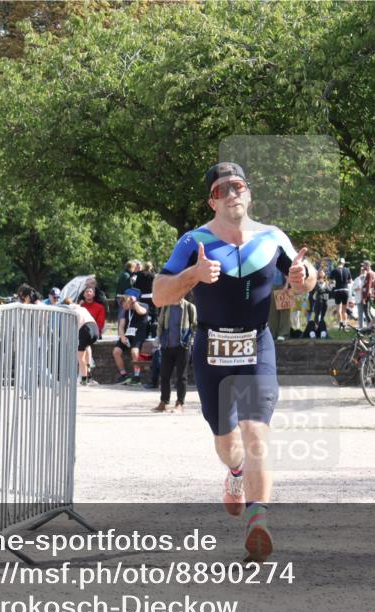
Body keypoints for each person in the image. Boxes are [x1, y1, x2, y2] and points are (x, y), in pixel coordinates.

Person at [152, 161, 316, 562]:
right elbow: (159, 294)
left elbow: (307, 277)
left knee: (256, 432)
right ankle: (235, 473)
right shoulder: (194, 241)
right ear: (212, 199)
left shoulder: (272, 238)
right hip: (212, 349)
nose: (231, 194)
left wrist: (303, 275)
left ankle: (258, 522)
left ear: (249, 193)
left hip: (256, 345)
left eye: (237, 186)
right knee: (228, 442)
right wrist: (193, 275)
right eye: (222, 189)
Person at [152, 296, 197, 413]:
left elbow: (195, 325)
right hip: (167, 345)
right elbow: (160, 324)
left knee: (182, 376)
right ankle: (164, 402)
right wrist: (158, 338)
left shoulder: (189, 307)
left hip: (183, 346)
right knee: (164, 375)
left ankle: (180, 403)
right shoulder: (166, 307)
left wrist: (191, 340)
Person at [113, 288, 149, 385]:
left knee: (134, 351)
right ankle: (124, 374)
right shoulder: (126, 311)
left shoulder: (143, 305)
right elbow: (121, 326)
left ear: (131, 301)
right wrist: (122, 336)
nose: (122, 305)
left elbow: (142, 312)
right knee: (116, 351)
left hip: (138, 334)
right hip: (127, 335)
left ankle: (137, 376)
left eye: (124, 302)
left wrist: (134, 302)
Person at [66, 297, 100, 386]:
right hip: (95, 329)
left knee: (80, 357)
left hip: (85, 329)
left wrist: (67, 340)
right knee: (87, 349)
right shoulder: (82, 308)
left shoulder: (69, 311)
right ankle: (89, 377)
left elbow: (71, 328)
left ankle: (84, 380)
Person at [329, 259, 352, 328]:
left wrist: (334, 282)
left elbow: (330, 280)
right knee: (344, 309)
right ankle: (345, 323)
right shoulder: (347, 270)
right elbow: (350, 281)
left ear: (337, 263)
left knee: (338, 308)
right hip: (345, 290)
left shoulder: (334, 270)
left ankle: (340, 322)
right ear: (343, 263)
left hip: (337, 290)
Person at [308, 270, 331, 337]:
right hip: (318, 302)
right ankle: (316, 329)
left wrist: (325, 286)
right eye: (320, 273)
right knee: (317, 315)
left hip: (325, 302)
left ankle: (322, 330)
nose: (321, 274)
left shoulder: (326, 283)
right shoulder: (315, 283)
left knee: (323, 316)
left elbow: (329, 291)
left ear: (324, 275)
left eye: (322, 273)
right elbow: (311, 293)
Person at [359, 260, 375, 328]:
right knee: (368, 311)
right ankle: (373, 325)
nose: (363, 267)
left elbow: (368, 286)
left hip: (367, 295)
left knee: (367, 312)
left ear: (367, 266)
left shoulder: (369, 274)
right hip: (370, 295)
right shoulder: (374, 273)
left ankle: (372, 327)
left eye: (364, 265)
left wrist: (364, 298)